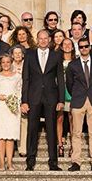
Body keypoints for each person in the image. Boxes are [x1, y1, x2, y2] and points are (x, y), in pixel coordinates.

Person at [21, 29, 64, 171]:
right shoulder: (29, 55)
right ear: (37, 39)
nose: (43, 41)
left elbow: (60, 79)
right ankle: (30, 162)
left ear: (49, 40)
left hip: (51, 97)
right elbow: (25, 78)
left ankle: (53, 162)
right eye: (41, 38)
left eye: (46, 38)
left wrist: (61, 100)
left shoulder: (56, 55)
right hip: (33, 97)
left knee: (51, 130)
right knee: (32, 129)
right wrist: (24, 100)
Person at [66, 36, 92, 172]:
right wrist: (77, 95)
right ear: (78, 48)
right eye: (81, 46)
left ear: (89, 47)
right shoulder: (72, 65)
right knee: (76, 133)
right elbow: (69, 84)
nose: (84, 48)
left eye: (86, 46)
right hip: (78, 100)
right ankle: (76, 161)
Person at [0, 53, 22, 171]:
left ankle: (9, 162)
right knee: (1, 136)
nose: (6, 64)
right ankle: (1, 163)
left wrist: (15, 101)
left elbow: (20, 91)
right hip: (0, 107)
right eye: (3, 62)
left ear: (11, 62)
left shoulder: (18, 76)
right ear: (0, 64)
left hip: (12, 108)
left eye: (8, 62)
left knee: (10, 136)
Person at [56, 37, 75, 158]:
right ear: (61, 47)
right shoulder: (57, 60)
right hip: (59, 92)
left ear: (73, 47)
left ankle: (73, 145)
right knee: (59, 118)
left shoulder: (76, 61)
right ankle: (60, 144)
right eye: (65, 44)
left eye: (70, 44)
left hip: (72, 92)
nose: (67, 46)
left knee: (73, 119)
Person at [10, 44, 28, 157]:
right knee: (11, 122)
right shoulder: (7, 65)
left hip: (24, 96)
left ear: (22, 55)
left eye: (19, 53)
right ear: (12, 55)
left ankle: (23, 148)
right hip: (10, 97)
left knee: (24, 122)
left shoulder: (27, 65)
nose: (17, 55)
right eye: (15, 53)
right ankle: (10, 148)